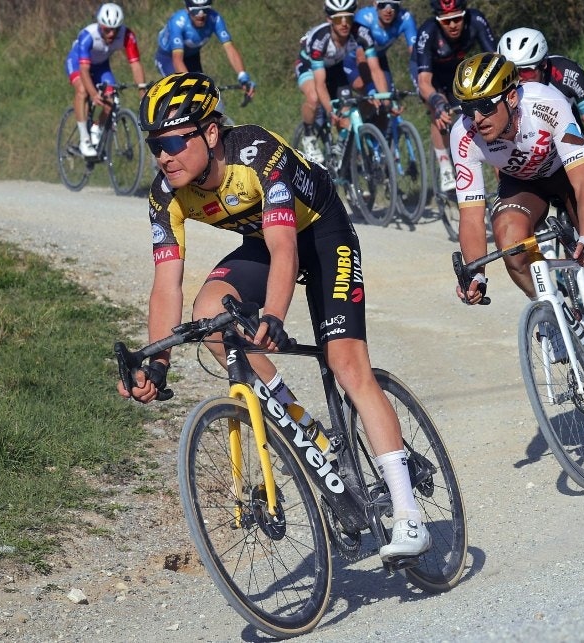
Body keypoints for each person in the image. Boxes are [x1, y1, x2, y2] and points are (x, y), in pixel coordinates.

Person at [118, 72, 432, 561]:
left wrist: (273, 316)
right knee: (210, 318)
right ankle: (302, 426)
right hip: (262, 243)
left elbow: (286, 247)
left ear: (210, 133)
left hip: (322, 234)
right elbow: (167, 284)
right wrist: (156, 363)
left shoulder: (258, 153)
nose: (164, 155)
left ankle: (409, 517)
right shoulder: (166, 193)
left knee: (347, 364)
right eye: (155, 144)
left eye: (176, 140)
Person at [450, 52, 584, 429]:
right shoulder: (464, 135)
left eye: (486, 106)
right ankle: (558, 316)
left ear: (512, 98)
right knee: (509, 241)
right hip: (522, 184)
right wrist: (476, 274)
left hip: (570, 173)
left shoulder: (546, 104)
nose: (478, 118)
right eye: (468, 109)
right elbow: (472, 214)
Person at [498, 27, 584, 194]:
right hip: (524, 160)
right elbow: (497, 147)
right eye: (512, 73)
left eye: (525, 71)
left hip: (570, 146)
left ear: (543, 64)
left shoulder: (567, 73)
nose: (518, 79)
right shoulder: (499, 84)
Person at [294, 0, 392, 165]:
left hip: (334, 67)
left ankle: (343, 161)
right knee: (314, 98)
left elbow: (375, 69)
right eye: (339, 20)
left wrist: (385, 98)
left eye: (348, 18)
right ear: (329, 20)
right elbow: (320, 84)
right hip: (309, 67)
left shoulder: (361, 32)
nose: (345, 24)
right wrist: (330, 111)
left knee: (347, 111)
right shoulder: (320, 39)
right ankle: (309, 136)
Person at [414, 0, 496, 193]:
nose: (452, 25)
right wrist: (435, 100)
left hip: (457, 73)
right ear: (437, 20)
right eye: (446, 21)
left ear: (464, 15)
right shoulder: (428, 32)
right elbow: (424, 81)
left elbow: (495, 58)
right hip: (430, 75)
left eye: (457, 19)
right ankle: (444, 167)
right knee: (439, 110)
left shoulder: (476, 20)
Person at [64, 2, 146, 158]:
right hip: (77, 63)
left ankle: (96, 128)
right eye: (107, 30)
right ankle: (84, 140)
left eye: (115, 30)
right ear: (100, 25)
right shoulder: (88, 36)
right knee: (82, 91)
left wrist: (142, 92)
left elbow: (135, 64)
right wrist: (94, 94)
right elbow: (84, 70)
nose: (111, 34)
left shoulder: (127, 35)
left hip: (101, 66)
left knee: (111, 100)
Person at [154, 0, 255, 106]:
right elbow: (177, 59)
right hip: (168, 58)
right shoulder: (178, 22)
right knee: (183, 96)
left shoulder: (215, 18)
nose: (201, 14)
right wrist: (190, 85)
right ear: (187, 9)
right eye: (196, 11)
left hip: (192, 57)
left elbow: (229, 48)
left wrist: (243, 77)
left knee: (206, 98)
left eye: (205, 9)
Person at [347, 0, 419, 91]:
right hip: (355, 60)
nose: (388, 10)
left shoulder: (405, 18)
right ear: (375, 5)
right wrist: (371, 89)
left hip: (379, 58)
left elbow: (416, 55)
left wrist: (421, 81)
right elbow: (360, 56)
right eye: (383, 5)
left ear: (399, 6)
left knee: (389, 100)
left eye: (393, 6)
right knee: (365, 89)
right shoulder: (364, 17)